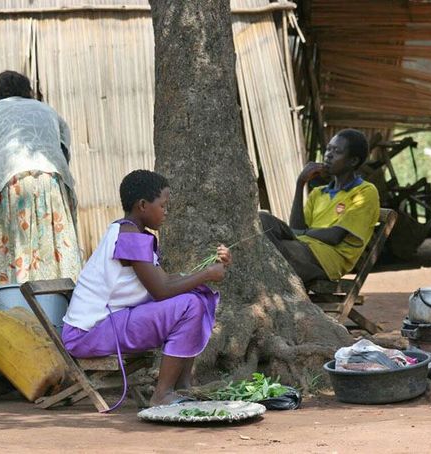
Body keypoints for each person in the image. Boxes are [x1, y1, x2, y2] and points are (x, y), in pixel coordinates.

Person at [61, 170, 232, 407]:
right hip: (89, 333)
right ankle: (162, 393)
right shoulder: (129, 237)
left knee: (196, 295)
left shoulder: (133, 233)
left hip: (107, 323)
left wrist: (208, 272)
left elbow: (163, 281)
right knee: (189, 304)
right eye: (162, 205)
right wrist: (206, 274)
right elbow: (161, 290)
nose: (166, 212)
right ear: (142, 205)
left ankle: (182, 386)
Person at [0, 70, 81, 284]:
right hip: (52, 180)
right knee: (54, 244)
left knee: (15, 249)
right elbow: (63, 155)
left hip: (10, 181)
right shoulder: (49, 111)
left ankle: (18, 305)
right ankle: (60, 302)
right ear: (27, 91)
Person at [259, 129, 380, 284]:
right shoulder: (318, 192)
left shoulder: (365, 192)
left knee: (270, 250)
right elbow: (295, 227)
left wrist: (301, 233)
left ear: (353, 161)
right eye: (328, 149)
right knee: (262, 220)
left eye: (337, 151)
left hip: (327, 260)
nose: (328, 155)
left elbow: (334, 236)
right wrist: (300, 184)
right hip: (303, 246)